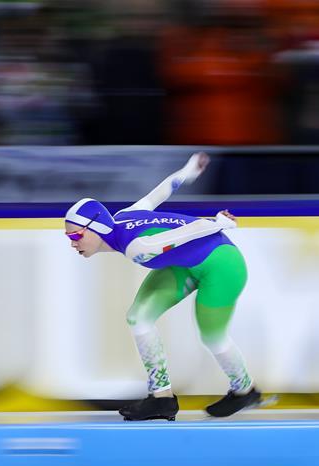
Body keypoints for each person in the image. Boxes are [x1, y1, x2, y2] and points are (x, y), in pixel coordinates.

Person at [64, 152, 263, 421]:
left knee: (212, 336)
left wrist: (219, 223)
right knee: (139, 317)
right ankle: (162, 398)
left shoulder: (137, 248)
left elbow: (183, 233)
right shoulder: (124, 215)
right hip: (187, 260)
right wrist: (188, 171)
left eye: (76, 235)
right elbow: (158, 194)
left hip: (223, 264)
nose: (73, 243)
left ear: (95, 228)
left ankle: (245, 390)